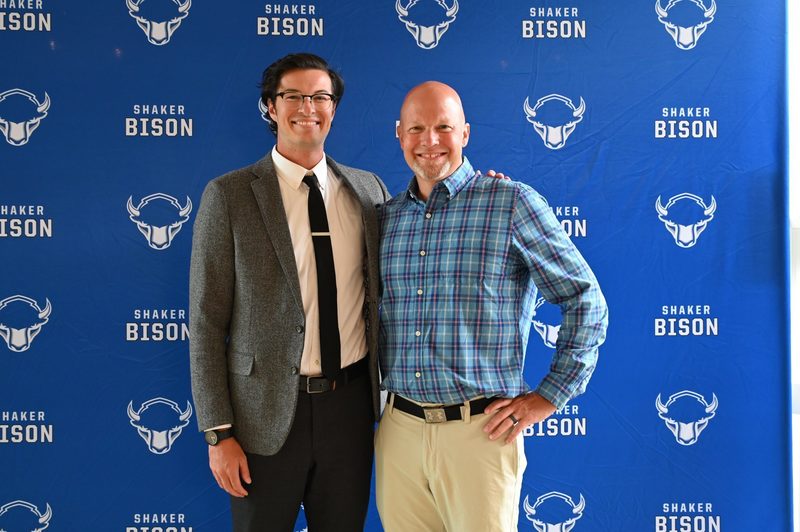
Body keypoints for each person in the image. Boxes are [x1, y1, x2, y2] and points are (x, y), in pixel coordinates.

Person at [375, 81, 608, 532]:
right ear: (400, 134)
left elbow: (585, 299)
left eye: (444, 127)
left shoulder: (511, 203)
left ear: (465, 133)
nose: (430, 141)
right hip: (398, 431)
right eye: (417, 128)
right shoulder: (385, 218)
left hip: (480, 432)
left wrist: (551, 395)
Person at [189, 53, 389, 532]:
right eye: (293, 96)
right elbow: (205, 322)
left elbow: (424, 239)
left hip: (351, 407)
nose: (308, 107)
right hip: (263, 415)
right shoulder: (230, 195)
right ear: (271, 108)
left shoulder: (369, 191)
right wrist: (218, 434)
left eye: (320, 96)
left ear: (334, 109)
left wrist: (478, 191)